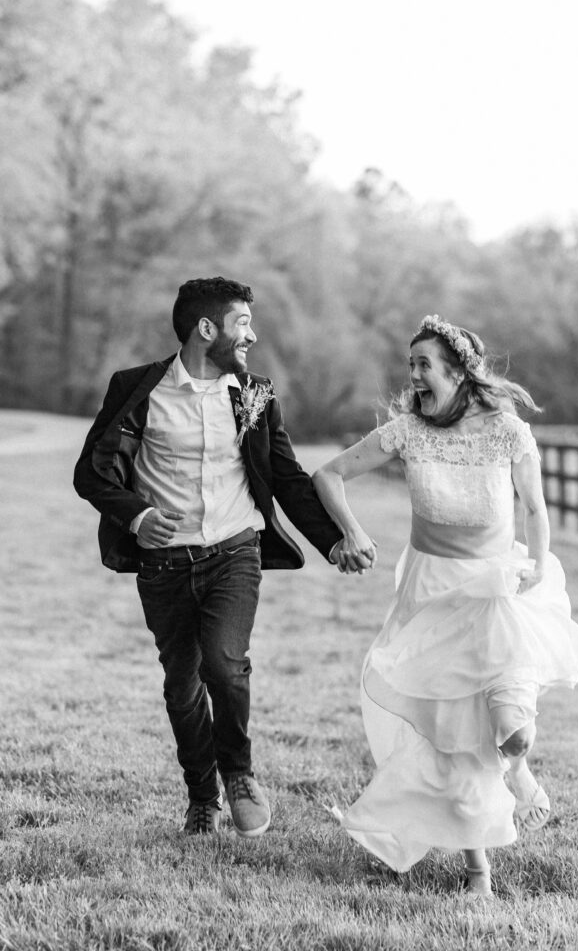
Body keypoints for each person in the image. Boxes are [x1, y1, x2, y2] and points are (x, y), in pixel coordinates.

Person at [74, 277, 373, 837]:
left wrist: (334, 541)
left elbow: (284, 476)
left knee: (224, 662)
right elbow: (91, 472)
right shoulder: (138, 388)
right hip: (163, 563)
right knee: (182, 685)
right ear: (205, 329)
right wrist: (137, 515)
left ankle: (239, 775)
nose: (252, 337)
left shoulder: (255, 393)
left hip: (235, 551)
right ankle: (202, 799)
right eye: (242, 325)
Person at [313, 315, 578, 896]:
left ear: (459, 370)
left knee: (512, 730)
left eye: (424, 364)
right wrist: (353, 533)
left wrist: (537, 569)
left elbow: (535, 509)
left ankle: (517, 769)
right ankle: (478, 871)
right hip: (429, 590)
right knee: (453, 734)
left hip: (496, 588)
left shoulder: (507, 430)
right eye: (410, 364)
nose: (413, 375)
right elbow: (328, 475)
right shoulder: (407, 431)